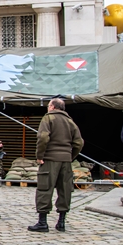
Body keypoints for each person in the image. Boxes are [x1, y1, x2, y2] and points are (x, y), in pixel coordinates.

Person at [27, 98, 84, 233]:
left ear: (52, 106)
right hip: (66, 160)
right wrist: (70, 156)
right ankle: (61, 222)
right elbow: (79, 142)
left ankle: (43, 222)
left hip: (50, 159)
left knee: (45, 188)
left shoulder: (48, 118)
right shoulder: (70, 121)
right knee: (65, 189)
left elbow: (43, 137)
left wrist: (40, 156)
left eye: (48, 105)